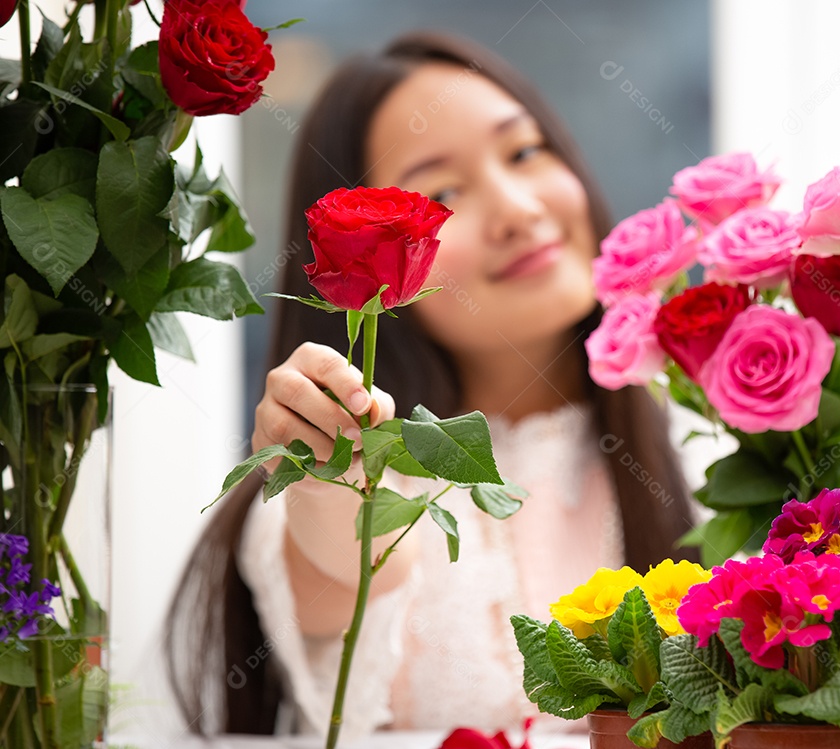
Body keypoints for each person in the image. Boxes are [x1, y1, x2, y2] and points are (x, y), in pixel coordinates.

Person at [165, 31, 708, 738]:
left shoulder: (704, 437)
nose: (518, 209)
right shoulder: (381, 477)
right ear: (369, 267)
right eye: (443, 191)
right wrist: (325, 467)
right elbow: (343, 558)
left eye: (523, 151)